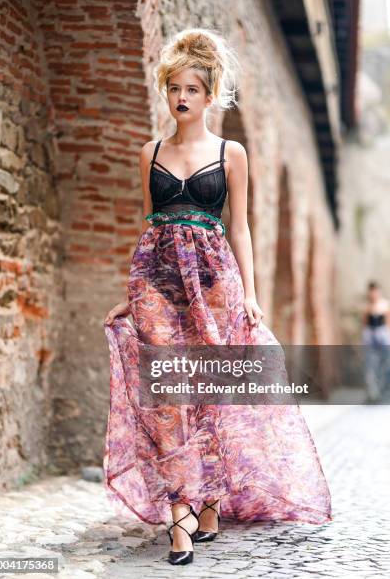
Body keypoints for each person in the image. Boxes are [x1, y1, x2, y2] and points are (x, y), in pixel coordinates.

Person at [104, 28, 332, 566]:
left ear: (209, 96)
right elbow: (149, 229)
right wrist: (128, 295)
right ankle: (180, 518)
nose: (181, 98)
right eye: (174, 88)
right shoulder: (150, 152)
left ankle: (208, 499)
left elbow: (243, 229)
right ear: (166, 92)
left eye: (192, 89)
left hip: (214, 283)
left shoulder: (232, 153)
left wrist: (250, 295)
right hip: (157, 284)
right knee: (167, 400)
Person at [362, 281, 390, 402]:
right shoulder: (367, 307)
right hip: (371, 336)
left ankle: (384, 391)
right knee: (371, 366)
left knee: (385, 364)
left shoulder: (385, 305)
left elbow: (388, 322)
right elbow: (364, 324)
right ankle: (373, 393)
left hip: (383, 335)